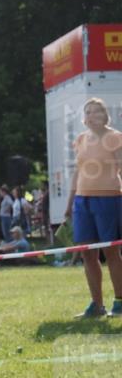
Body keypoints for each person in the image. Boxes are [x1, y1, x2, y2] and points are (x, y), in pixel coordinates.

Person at [64, 97, 122, 317]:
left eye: (96, 111)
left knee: (111, 252)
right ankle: (97, 305)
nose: (91, 115)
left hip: (108, 198)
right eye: (87, 112)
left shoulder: (115, 137)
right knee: (87, 253)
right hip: (82, 200)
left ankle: (120, 301)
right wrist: (70, 203)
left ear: (105, 115)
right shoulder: (80, 139)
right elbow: (77, 172)